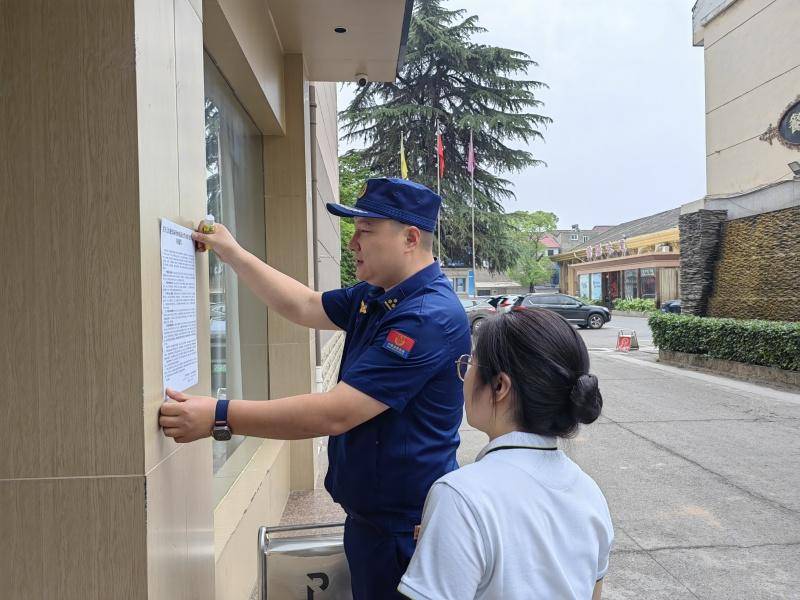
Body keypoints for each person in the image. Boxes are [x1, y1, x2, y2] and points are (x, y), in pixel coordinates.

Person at [159, 177, 471, 599]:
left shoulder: (426, 316)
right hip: (374, 523)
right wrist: (232, 252)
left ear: (410, 239)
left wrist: (219, 415)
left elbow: (335, 413)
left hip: (404, 532)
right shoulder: (378, 296)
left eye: (365, 231)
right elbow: (305, 305)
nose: (353, 243)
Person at [398, 308, 613, 600]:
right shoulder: (590, 493)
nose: (465, 375)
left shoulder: (461, 496)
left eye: (471, 363)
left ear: (499, 386)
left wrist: (452, 522)